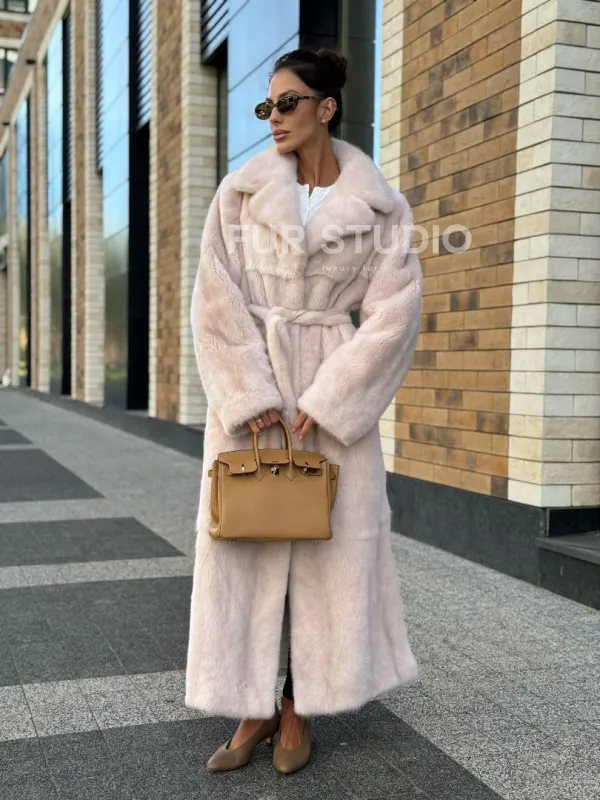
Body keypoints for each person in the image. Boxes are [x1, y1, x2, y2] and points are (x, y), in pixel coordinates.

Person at [185, 47, 423, 775]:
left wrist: (328, 400)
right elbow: (214, 297)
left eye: (287, 103)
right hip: (252, 401)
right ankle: (250, 704)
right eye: (267, 106)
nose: (274, 118)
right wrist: (250, 395)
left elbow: (395, 314)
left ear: (326, 107)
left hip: (330, 391)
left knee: (327, 554)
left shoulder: (382, 207)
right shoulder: (239, 194)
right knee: (247, 542)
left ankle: (297, 706)